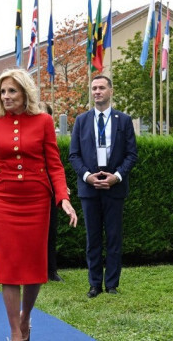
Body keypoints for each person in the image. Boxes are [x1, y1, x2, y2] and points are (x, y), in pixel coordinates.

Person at [0, 69, 77, 341]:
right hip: (3, 200)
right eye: (2, 92)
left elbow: (54, 163)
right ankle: (15, 333)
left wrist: (63, 198)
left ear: (25, 93)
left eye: (12, 91)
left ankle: (26, 318)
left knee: (33, 267)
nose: (6, 96)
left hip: (37, 200)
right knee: (8, 267)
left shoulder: (43, 121)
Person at [69, 75, 138, 297]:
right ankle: (94, 284)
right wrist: (87, 176)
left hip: (114, 188)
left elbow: (131, 154)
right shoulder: (81, 121)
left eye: (101, 88)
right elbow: (74, 155)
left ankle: (112, 285)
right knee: (93, 238)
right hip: (89, 189)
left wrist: (116, 176)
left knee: (114, 237)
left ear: (110, 91)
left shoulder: (124, 120)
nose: (97, 91)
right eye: (93, 88)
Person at [39, 102, 64, 282]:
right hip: (30, 190)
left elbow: (56, 166)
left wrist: (61, 188)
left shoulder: (50, 140)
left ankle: (51, 270)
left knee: (50, 230)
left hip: (49, 190)